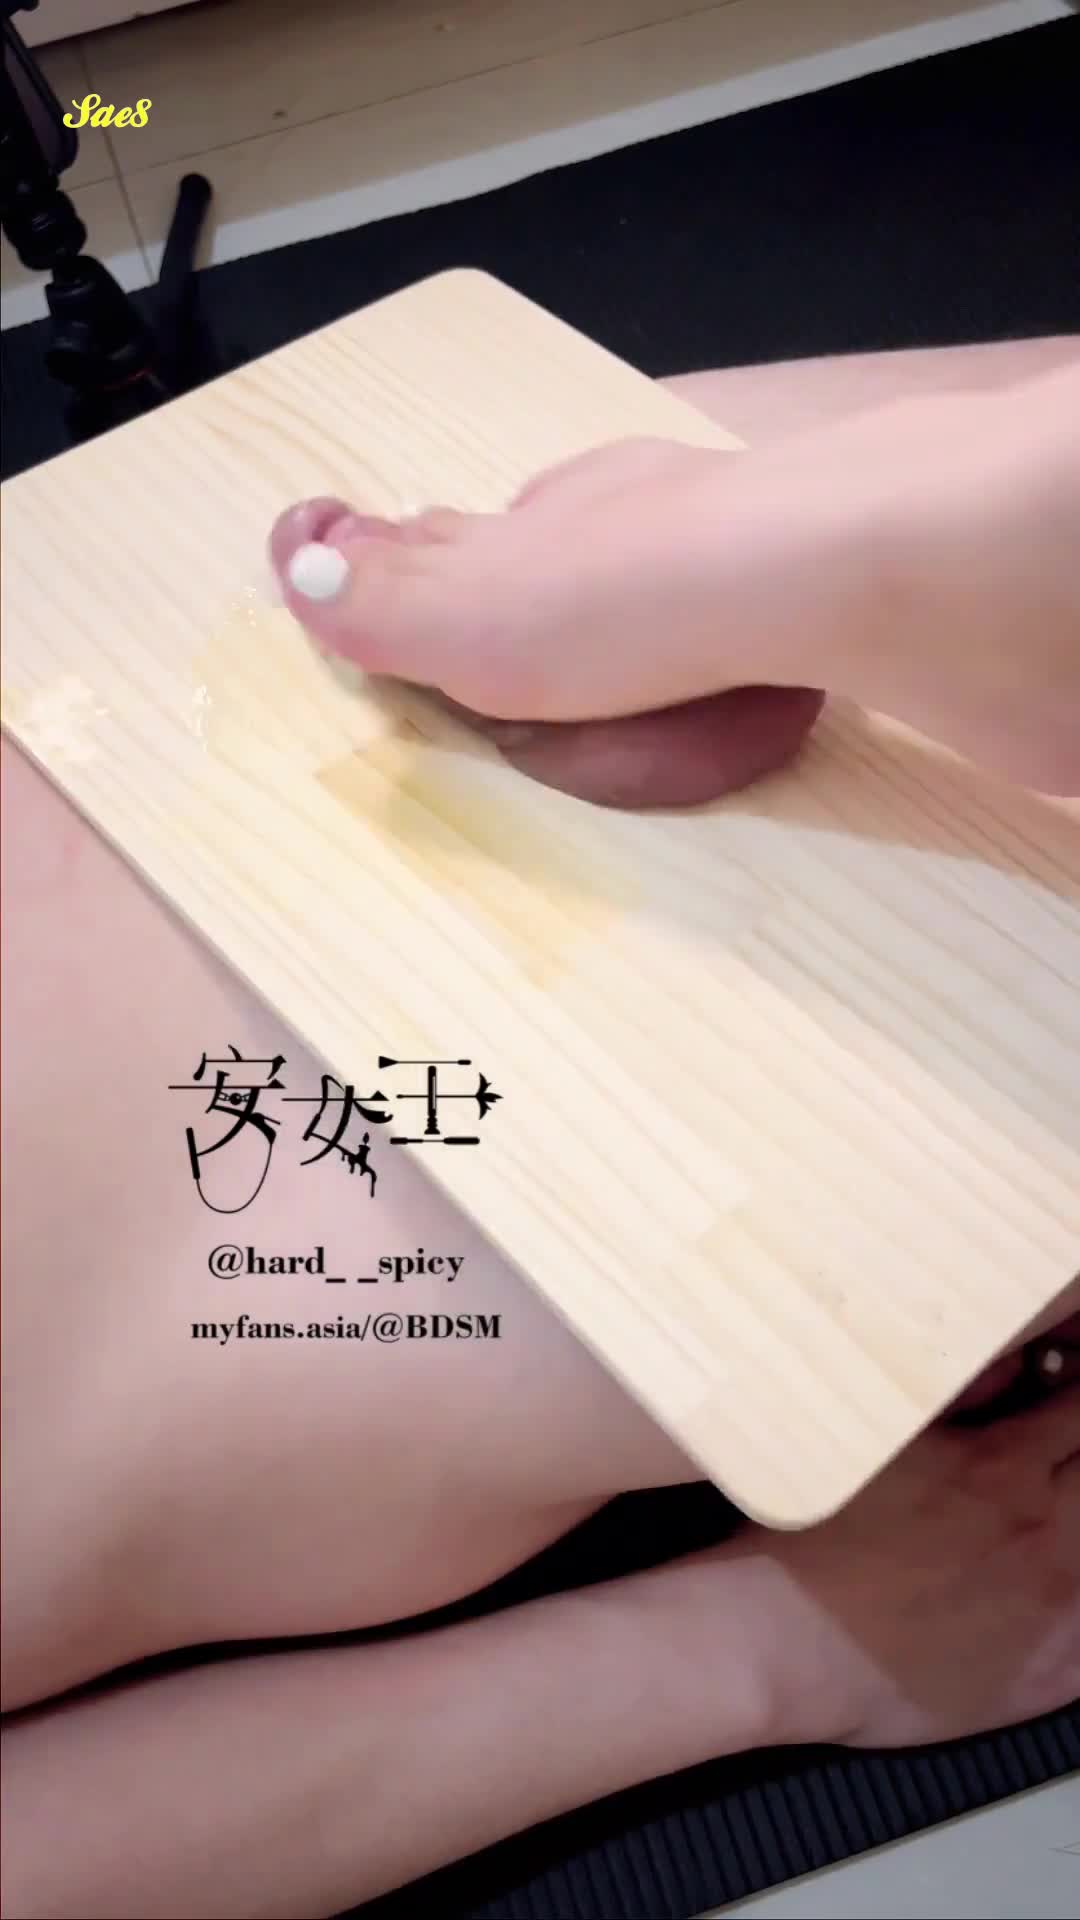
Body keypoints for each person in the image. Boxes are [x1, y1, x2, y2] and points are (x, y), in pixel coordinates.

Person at [2, 337, 1078, 1920]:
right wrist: (763, 1648)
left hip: (406, 1169)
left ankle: (916, 544)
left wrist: (775, 1648)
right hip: (213, 670)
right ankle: (919, 526)